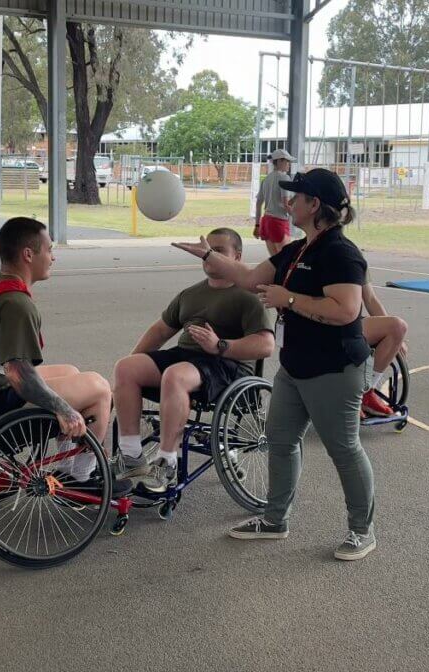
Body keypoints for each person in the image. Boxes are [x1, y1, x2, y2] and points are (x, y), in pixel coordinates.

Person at [174, 168, 377, 562]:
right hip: (296, 366)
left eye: (296, 197)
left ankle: (361, 530)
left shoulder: (340, 253)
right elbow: (250, 278)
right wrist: (210, 256)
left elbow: (347, 310)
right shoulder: (297, 249)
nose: (288, 202)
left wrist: (289, 299)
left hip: (334, 368)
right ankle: (275, 519)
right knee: (280, 442)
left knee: (344, 449)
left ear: (314, 205)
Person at [0, 217, 130, 493]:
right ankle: (81, 476)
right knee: (100, 388)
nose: (53, 257)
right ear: (28, 255)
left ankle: (70, 465)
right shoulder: (16, 303)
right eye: (49, 249)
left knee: (71, 372)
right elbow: (19, 374)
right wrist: (63, 409)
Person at [113, 228, 274, 493]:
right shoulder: (190, 294)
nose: (207, 255)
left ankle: (167, 463)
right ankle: (131, 456)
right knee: (126, 368)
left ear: (238, 255)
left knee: (175, 375)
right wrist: (123, 381)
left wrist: (219, 345)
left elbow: (265, 345)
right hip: (186, 358)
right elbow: (160, 332)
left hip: (225, 364)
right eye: (205, 249)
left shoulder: (247, 295)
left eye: (217, 250)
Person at [359, 278, 408, 417]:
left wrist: (397, 337)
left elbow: (370, 298)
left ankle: (366, 391)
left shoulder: (356, 259)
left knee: (398, 328)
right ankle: (348, 396)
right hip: (324, 322)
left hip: (351, 321)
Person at [254, 149, 295, 256]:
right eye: (287, 161)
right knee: (285, 259)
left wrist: (257, 225)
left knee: (275, 261)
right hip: (279, 222)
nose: (289, 164)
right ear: (279, 161)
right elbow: (286, 204)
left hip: (266, 222)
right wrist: (298, 217)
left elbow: (258, 203)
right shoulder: (284, 178)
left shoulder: (266, 179)